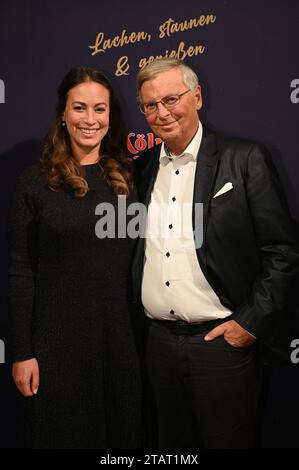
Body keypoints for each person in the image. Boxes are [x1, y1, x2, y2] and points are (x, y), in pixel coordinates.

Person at [132, 58, 299, 449]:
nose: (162, 112)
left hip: (220, 345)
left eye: (171, 99)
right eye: (150, 105)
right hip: (157, 345)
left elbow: (283, 252)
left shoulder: (244, 158)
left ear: (197, 96)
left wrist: (249, 324)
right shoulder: (140, 170)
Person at [8, 66, 144, 449]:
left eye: (99, 109)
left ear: (110, 115)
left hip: (122, 343)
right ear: (63, 115)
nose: (90, 119)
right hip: (56, 347)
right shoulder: (34, 182)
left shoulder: (131, 176)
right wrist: (22, 352)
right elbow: (21, 270)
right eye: (80, 108)